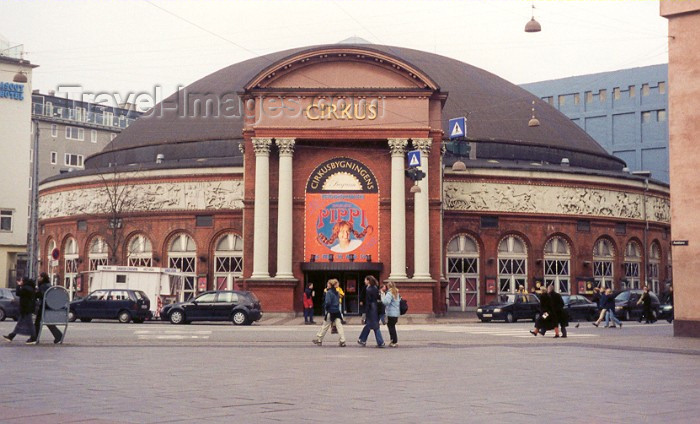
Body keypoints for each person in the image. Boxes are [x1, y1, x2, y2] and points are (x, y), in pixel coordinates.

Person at [3, 277, 37, 344]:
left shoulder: (26, 288)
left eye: (21, 280)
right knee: (21, 323)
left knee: (29, 324)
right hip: (27, 308)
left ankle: (33, 338)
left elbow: (18, 293)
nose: (20, 281)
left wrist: (18, 285)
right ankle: (11, 336)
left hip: (26, 309)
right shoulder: (29, 287)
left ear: (24, 281)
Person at [313, 279, 346, 346]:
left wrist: (326, 308)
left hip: (330, 311)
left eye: (328, 284)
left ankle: (319, 339)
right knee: (339, 326)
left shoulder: (329, 292)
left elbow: (328, 302)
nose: (327, 285)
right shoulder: (337, 292)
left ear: (331, 285)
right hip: (337, 311)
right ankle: (342, 340)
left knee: (325, 326)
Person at [35, 272, 64, 343]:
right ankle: (58, 335)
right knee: (48, 322)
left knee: (37, 322)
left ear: (42, 278)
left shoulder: (42, 286)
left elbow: (41, 295)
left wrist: (35, 294)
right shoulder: (49, 285)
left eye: (39, 277)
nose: (38, 278)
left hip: (44, 305)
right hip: (49, 305)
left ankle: (35, 338)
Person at [357, 275, 385, 347]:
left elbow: (368, 300)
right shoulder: (375, 288)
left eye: (365, 280)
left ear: (368, 281)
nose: (364, 281)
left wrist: (365, 311)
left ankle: (380, 342)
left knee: (373, 326)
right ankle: (363, 339)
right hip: (375, 308)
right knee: (370, 325)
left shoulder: (369, 289)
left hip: (371, 309)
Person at [381, 281, 401, 347]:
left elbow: (386, 302)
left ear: (389, 286)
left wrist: (382, 295)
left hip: (390, 313)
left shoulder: (390, 293)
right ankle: (394, 341)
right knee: (393, 327)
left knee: (391, 327)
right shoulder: (397, 293)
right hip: (396, 313)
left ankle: (393, 341)